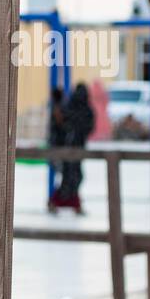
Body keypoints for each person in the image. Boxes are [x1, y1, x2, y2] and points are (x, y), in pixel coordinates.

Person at [51, 83, 94, 214]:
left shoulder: (73, 108)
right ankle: (58, 202)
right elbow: (61, 124)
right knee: (71, 176)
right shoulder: (78, 109)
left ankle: (68, 202)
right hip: (70, 148)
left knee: (74, 176)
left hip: (73, 148)